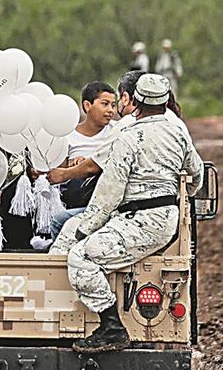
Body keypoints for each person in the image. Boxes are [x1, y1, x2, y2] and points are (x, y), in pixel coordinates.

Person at [54, 74, 203, 354]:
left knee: (80, 255)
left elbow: (109, 192)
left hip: (141, 221)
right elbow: (197, 175)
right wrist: (186, 195)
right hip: (160, 218)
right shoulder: (179, 131)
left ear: (136, 101)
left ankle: (111, 327)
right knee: (67, 233)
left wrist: (87, 228)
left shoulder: (130, 135)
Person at [48, 82, 116, 239]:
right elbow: (57, 173)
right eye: (104, 104)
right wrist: (72, 166)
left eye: (113, 105)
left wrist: (87, 164)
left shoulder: (116, 130)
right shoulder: (67, 135)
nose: (110, 110)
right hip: (76, 197)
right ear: (87, 106)